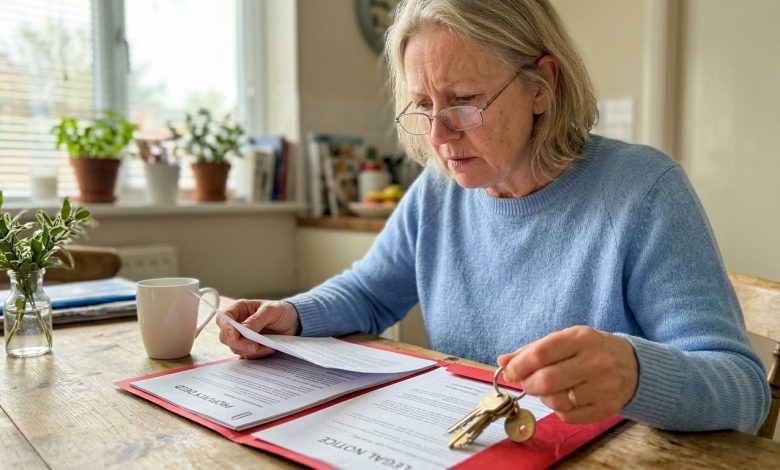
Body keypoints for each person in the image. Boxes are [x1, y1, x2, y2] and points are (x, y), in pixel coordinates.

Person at [218, 0, 769, 433]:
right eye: (424, 107)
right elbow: (369, 292)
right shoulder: (440, 192)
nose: (438, 136)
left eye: (463, 101)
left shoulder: (644, 192)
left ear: (541, 87)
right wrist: (291, 314)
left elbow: (744, 390)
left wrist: (635, 373)